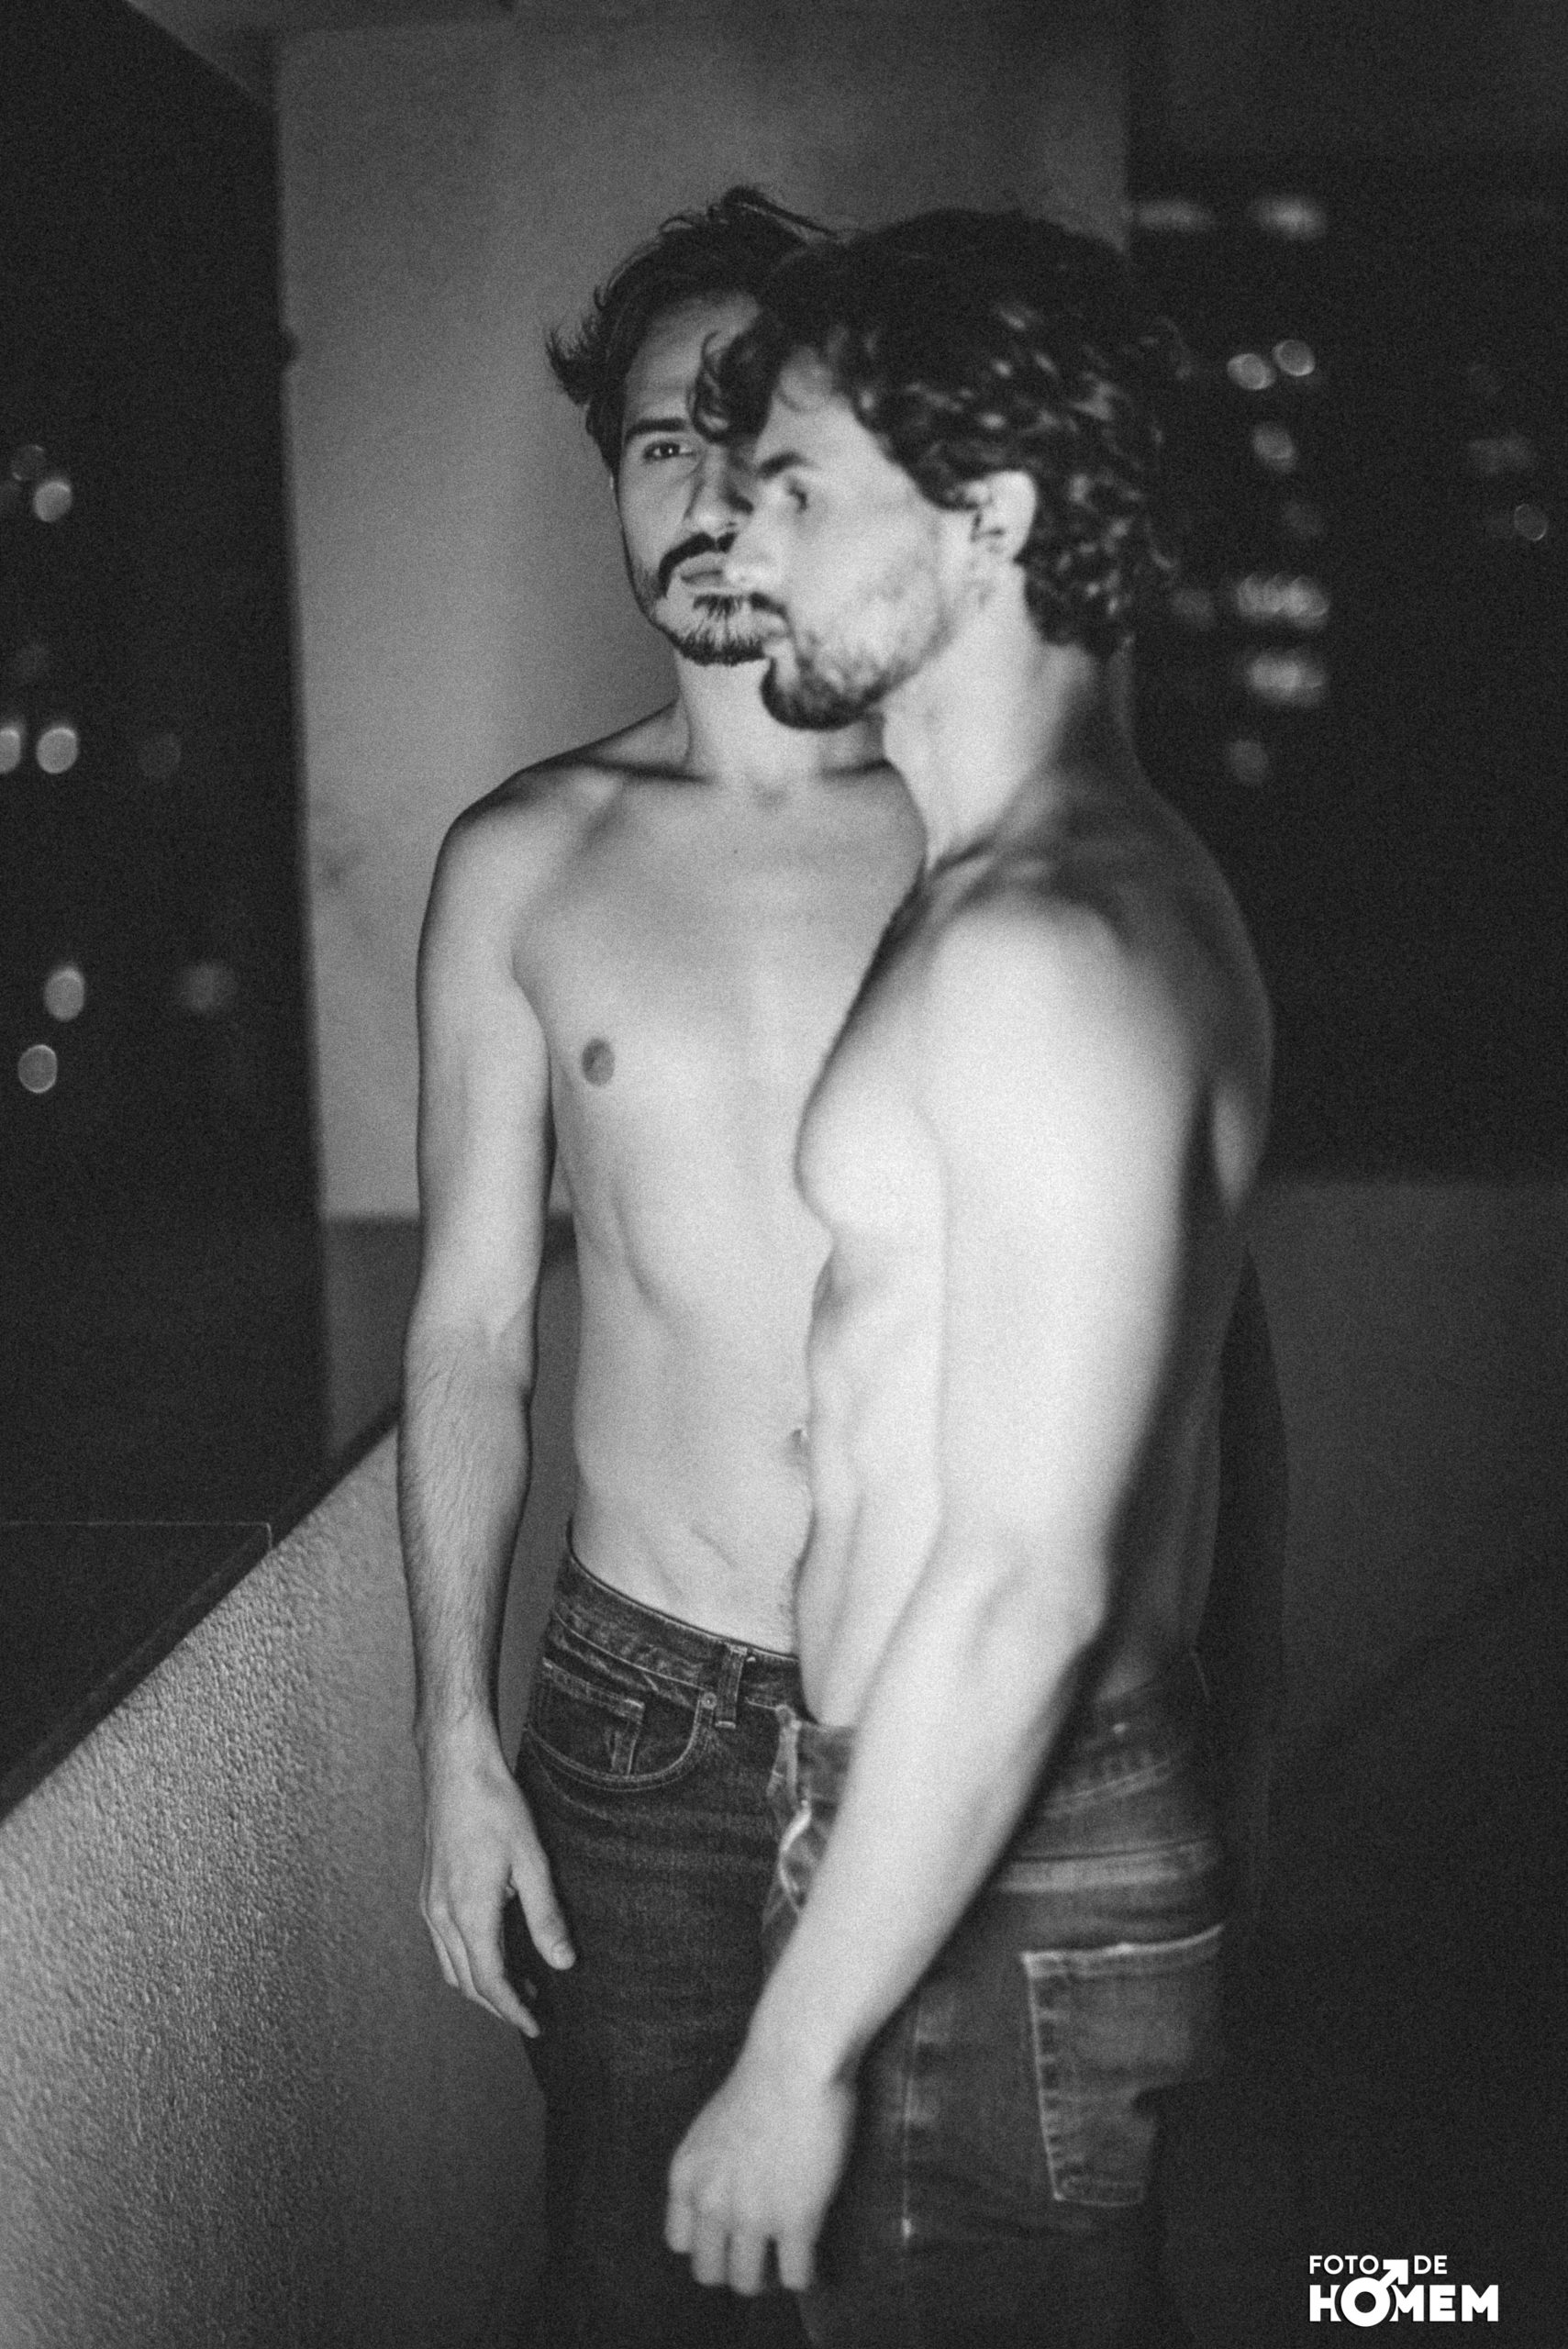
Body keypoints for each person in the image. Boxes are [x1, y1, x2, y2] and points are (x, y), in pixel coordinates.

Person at [663, 212, 1277, 2349]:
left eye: (798, 486)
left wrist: (792, 2055)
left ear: (991, 518)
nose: (742, 533)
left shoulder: (1043, 946)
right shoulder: (1042, 882)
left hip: (990, 1855)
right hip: (961, 1826)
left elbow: (1023, 1577)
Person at [397, 187, 923, 2349]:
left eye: (746, 429)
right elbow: (469, 1330)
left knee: (974, 2282)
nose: (702, 491)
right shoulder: (524, 863)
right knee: (637, 2289)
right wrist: (451, 1730)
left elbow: (1172, 1320)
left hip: (942, 1694)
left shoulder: (975, 839)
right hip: (642, 1729)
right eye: (651, 442)